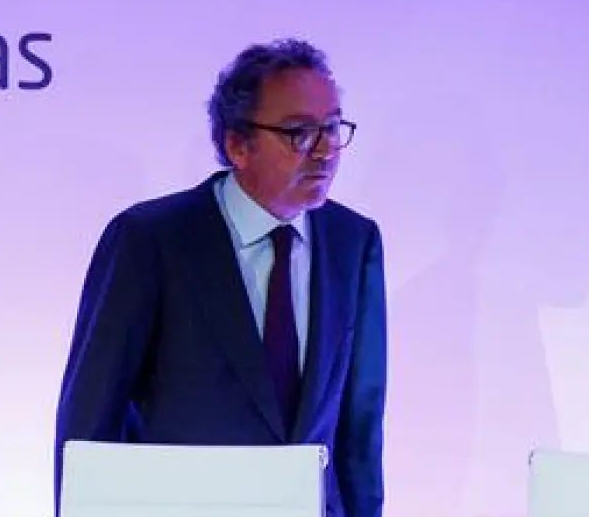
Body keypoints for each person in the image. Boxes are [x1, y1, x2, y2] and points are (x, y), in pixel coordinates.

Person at [53, 38, 387, 517]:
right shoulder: (152, 239)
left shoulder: (353, 241)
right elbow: (90, 421)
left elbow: (360, 428)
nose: (325, 151)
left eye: (332, 128)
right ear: (237, 145)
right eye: (299, 133)